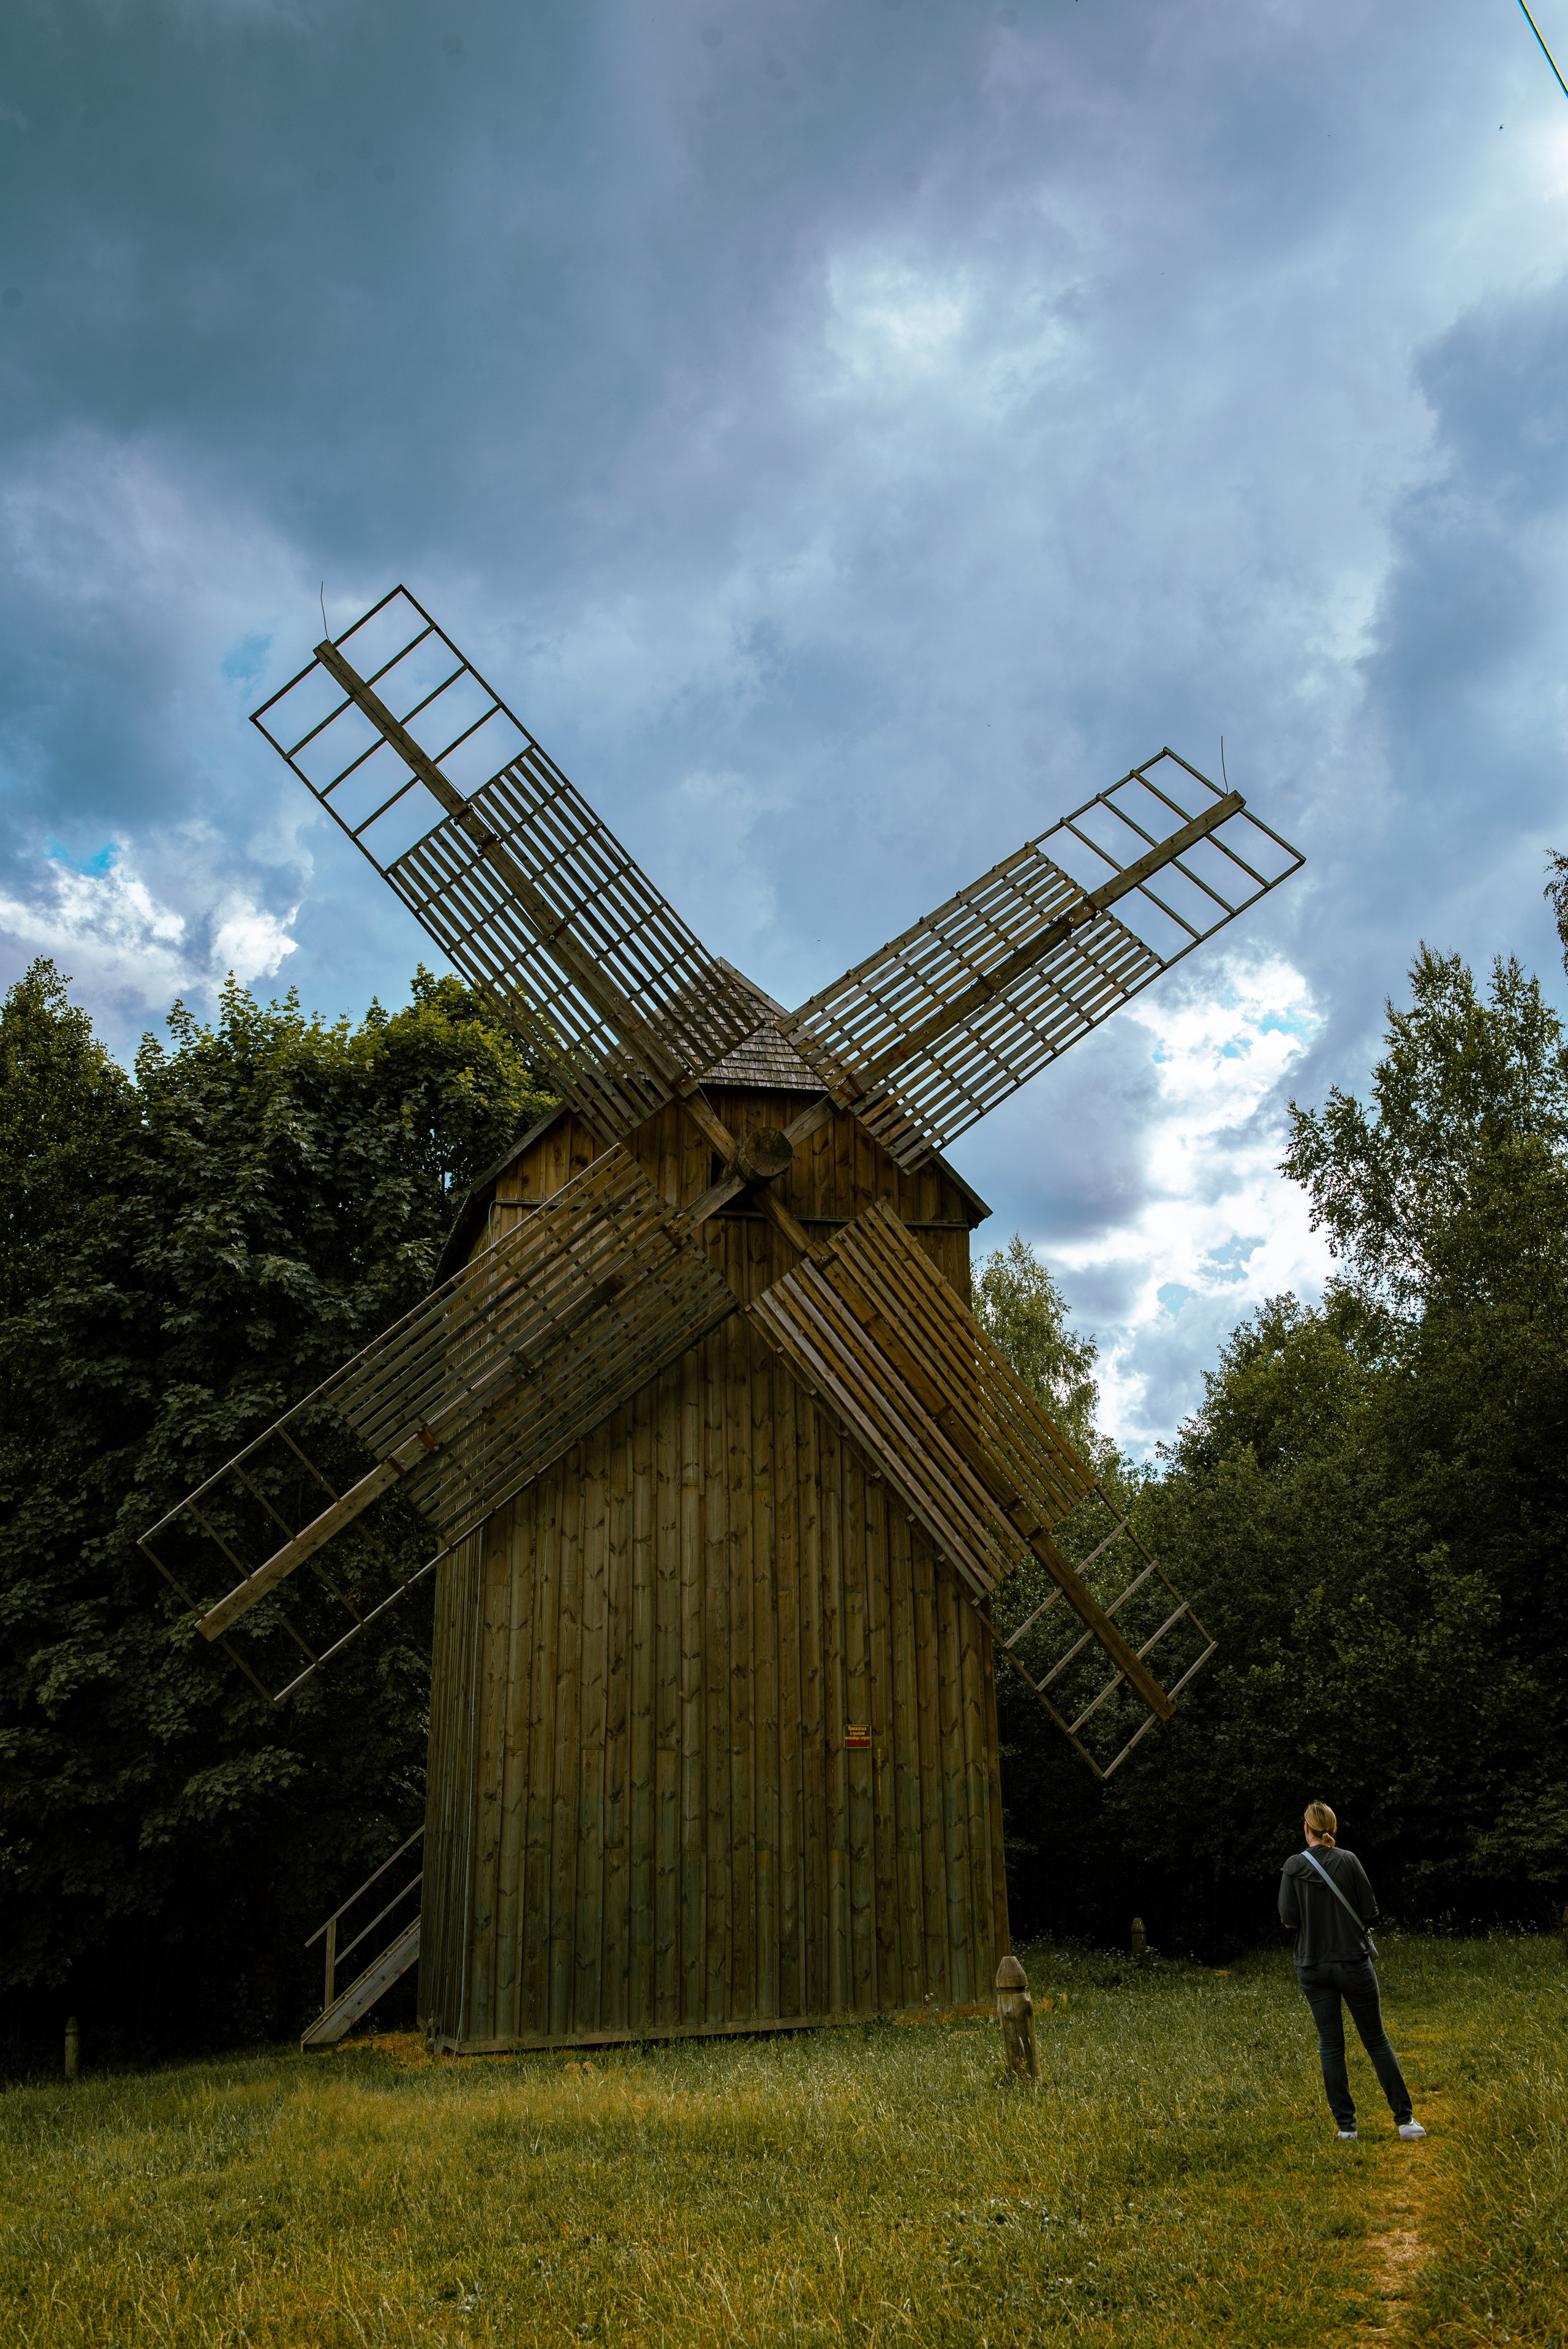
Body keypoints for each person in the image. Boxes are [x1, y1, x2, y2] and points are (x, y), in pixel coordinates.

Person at [1279, 1801, 1426, 2143]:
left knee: (1331, 2045)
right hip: (1353, 1964)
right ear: (1333, 1829)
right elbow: (1370, 1912)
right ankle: (1405, 2122)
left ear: (1306, 1828)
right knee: (1376, 2041)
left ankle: (1347, 2129)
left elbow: (1289, 1921)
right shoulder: (1349, 1860)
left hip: (1313, 1966)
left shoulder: (1292, 1866)